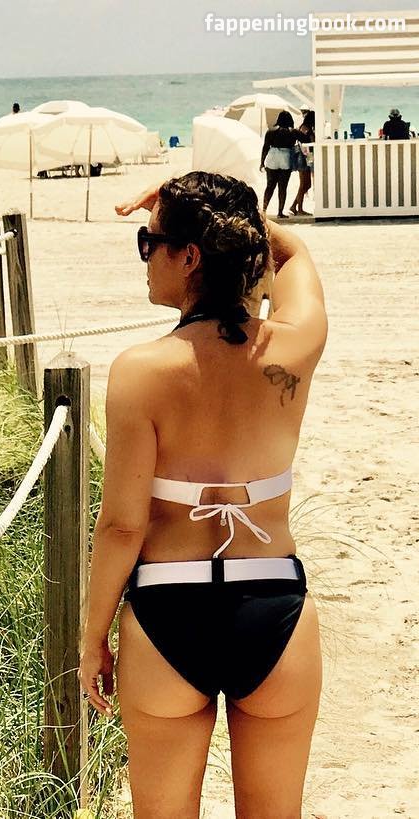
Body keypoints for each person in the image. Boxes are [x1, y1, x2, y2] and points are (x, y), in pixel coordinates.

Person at [82, 171, 327, 817]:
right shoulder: (293, 347)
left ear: (189, 255)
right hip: (272, 603)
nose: (144, 257)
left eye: (150, 242)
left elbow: (122, 527)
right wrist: (225, 213)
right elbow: (294, 254)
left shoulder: (140, 370)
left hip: (168, 609)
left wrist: (92, 637)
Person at [260, 111, 300, 219]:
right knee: (283, 187)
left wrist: (262, 162)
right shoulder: (292, 132)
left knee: (270, 186)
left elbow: (265, 147)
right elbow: (303, 139)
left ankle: (264, 210)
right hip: (285, 156)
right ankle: (280, 212)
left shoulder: (270, 131)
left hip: (273, 155)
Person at [290, 110, 315, 216]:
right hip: (304, 157)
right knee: (304, 184)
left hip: (306, 157)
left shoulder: (305, 127)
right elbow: (308, 143)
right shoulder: (305, 128)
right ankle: (299, 209)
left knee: (307, 184)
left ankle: (294, 206)